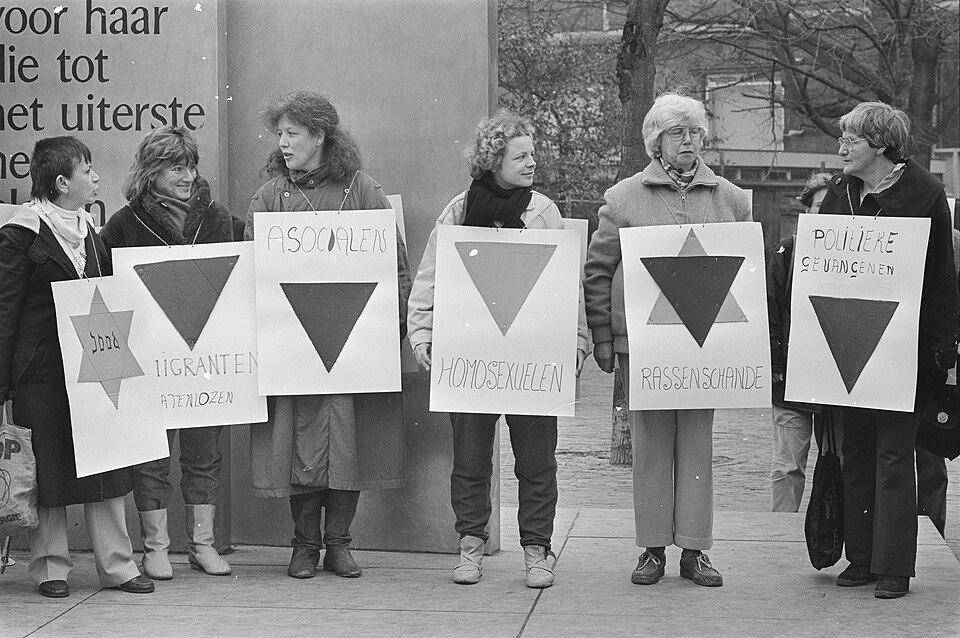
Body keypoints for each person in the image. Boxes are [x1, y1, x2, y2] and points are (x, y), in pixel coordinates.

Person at [407, 110, 589, 589]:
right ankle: (470, 546)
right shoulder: (458, 210)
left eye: (532, 154)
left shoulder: (544, 212)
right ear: (494, 161)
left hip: (533, 358)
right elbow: (430, 276)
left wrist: (576, 340)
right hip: (471, 357)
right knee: (469, 459)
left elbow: (568, 283)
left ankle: (537, 551)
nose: (532, 163)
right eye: (520, 155)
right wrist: (422, 334)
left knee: (537, 461)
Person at [583, 93, 752, 588]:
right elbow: (598, 271)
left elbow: (745, 276)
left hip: (706, 346)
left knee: (698, 446)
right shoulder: (622, 198)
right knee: (652, 446)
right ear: (656, 141)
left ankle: (695, 551)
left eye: (696, 132)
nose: (689, 141)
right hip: (643, 346)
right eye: (678, 132)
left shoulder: (732, 199)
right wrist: (603, 336)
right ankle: (652, 549)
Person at [244, 90, 412, 580]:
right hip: (292, 351)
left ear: (320, 136)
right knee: (297, 446)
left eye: (292, 133)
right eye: (280, 133)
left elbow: (396, 270)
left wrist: (386, 330)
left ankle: (339, 543)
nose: (283, 142)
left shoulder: (363, 190)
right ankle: (303, 545)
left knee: (346, 444)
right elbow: (251, 275)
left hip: (350, 348)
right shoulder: (269, 197)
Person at [0, 137, 154, 598]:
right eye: (87, 170)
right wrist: (3, 381)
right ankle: (50, 568)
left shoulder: (89, 229)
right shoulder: (19, 233)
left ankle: (118, 565)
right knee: (47, 469)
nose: (96, 178)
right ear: (62, 181)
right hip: (41, 371)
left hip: (93, 360)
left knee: (107, 460)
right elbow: (4, 310)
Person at [820, 101, 958, 599]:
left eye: (851, 139)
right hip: (849, 340)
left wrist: (944, 353)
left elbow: (942, 276)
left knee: (896, 455)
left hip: (907, 346)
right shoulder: (840, 193)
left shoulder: (924, 193)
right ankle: (860, 557)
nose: (842, 147)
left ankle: (895, 564)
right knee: (857, 448)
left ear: (879, 144)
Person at [99, 126, 244, 580]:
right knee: (152, 460)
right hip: (149, 363)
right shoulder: (123, 225)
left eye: (191, 166)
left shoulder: (221, 220)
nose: (187, 176)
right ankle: (155, 548)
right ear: (151, 172)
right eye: (176, 168)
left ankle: (202, 544)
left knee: (204, 455)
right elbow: (101, 289)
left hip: (205, 363)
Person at [767, 172, 832, 513]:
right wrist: (776, 367)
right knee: (788, 466)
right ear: (806, 212)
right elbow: (771, 309)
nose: (826, 213)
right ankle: (780, 536)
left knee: (836, 469)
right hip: (792, 383)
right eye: (820, 206)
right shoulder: (787, 252)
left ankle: (829, 538)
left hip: (837, 386)